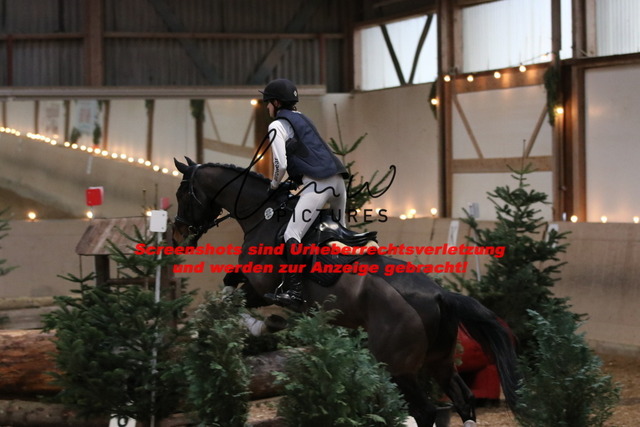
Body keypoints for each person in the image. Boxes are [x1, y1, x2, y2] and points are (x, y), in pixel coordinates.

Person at [260, 78, 349, 308]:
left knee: (292, 234)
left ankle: (294, 292)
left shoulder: (277, 126)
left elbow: (280, 164)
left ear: (276, 103)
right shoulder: (302, 119)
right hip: (339, 182)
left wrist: (274, 185)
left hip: (319, 184)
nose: (267, 107)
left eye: (268, 102)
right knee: (341, 234)